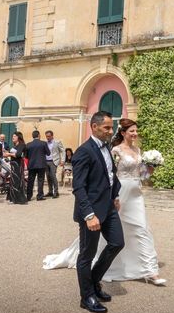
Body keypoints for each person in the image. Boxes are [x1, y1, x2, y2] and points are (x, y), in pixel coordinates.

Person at [44, 118, 166, 285]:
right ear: (123, 133)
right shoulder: (114, 150)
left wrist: (150, 169)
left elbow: (142, 175)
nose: (135, 134)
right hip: (119, 193)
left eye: (136, 131)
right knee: (108, 232)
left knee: (142, 228)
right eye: (132, 131)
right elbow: (109, 175)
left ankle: (151, 271)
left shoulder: (138, 150)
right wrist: (113, 196)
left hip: (135, 194)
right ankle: (99, 264)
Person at [74, 111, 124, 313]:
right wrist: (88, 215)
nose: (111, 131)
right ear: (94, 127)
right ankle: (86, 297)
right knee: (87, 255)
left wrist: (115, 195)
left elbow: (109, 174)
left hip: (109, 207)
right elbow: (78, 187)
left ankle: (94, 281)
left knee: (117, 243)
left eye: (111, 127)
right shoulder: (83, 151)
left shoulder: (107, 147)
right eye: (107, 128)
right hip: (91, 212)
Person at [24, 130, 50, 201]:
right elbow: (48, 153)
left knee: (30, 181)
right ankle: (39, 196)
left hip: (31, 164)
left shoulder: (28, 144)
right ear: (39, 135)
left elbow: (25, 156)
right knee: (40, 180)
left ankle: (28, 196)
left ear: (33, 136)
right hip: (41, 164)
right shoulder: (43, 143)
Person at [4, 131, 28, 205]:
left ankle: (18, 199)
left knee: (17, 181)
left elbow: (18, 155)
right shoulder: (15, 145)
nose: (12, 138)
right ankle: (13, 198)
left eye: (14, 136)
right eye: (12, 136)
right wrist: (6, 152)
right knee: (13, 181)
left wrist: (8, 154)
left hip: (18, 165)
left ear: (18, 137)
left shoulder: (22, 145)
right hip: (13, 165)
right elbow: (13, 154)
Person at [45, 130, 65, 198]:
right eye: (47, 136)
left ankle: (56, 192)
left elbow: (62, 151)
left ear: (52, 136)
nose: (48, 138)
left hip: (54, 161)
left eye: (49, 136)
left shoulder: (57, 142)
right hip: (46, 161)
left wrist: (62, 160)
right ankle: (50, 191)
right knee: (48, 176)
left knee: (53, 176)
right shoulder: (45, 143)